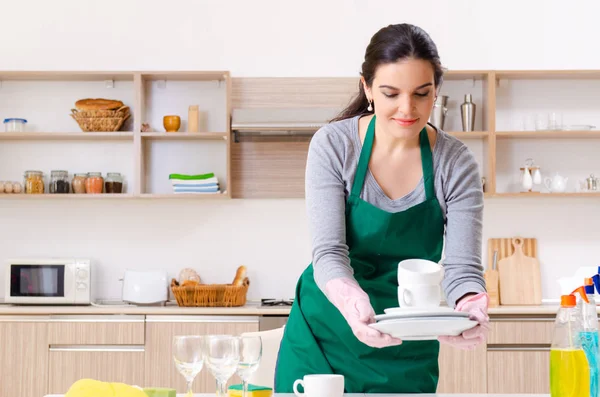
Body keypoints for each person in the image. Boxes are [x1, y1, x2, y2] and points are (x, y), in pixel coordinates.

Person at [274, 23, 489, 394]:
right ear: (367, 88)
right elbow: (328, 252)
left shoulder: (456, 163)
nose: (407, 109)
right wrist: (352, 299)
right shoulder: (334, 146)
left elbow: (461, 268)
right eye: (391, 93)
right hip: (326, 331)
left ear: (436, 91)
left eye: (422, 94)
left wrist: (472, 306)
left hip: (407, 339)